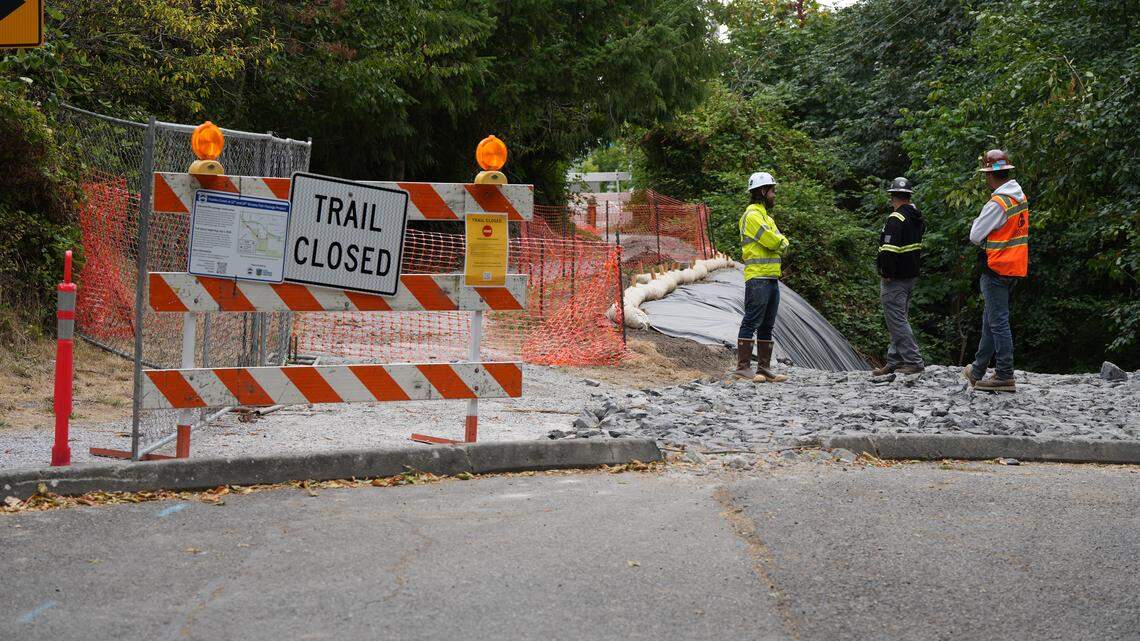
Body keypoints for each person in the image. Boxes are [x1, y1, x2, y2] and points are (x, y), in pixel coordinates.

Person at [963, 149, 1029, 392]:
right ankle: (978, 369)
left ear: (989, 176)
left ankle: (1004, 374)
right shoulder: (1020, 197)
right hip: (1014, 267)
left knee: (998, 322)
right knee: (990, 319)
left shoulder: (997, 203)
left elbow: (975, 235)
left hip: (996, 268)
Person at [734, 172, 789, 383]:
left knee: (767, 324)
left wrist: (780, 240)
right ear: (762, 191)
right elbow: (774, 241)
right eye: (772, 190)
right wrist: (781, 241)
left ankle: (764, 368)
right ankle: (743, 369)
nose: (775, 195)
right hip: (757, 277)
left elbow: (779, 239)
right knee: (751, 320)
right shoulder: (752, 216)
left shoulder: (766, 217)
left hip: (771, 278)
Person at [872, 177, 926, 376]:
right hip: (910, 276)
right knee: (899, 318)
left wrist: (887, 273)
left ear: (893, 197)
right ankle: (894, 360)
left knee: (897, 320)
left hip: (895, 279)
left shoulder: (896, 218)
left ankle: (912, 360)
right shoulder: (916, 217)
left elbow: (888, 250)